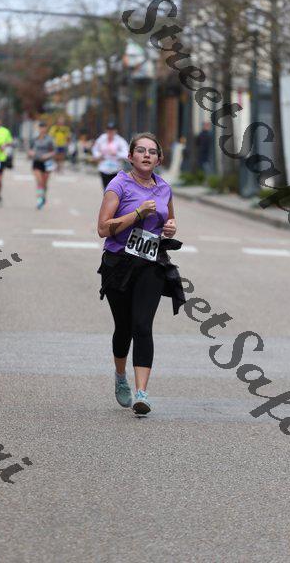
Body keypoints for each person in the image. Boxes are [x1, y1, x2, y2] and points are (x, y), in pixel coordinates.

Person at [97, 132, 186, 415]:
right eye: (141, 150)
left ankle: (142, 393)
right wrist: (136, 214)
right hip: (119, 264)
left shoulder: (164, 188)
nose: (147, 155)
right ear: (130, 157)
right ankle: (120, 375)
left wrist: (170, 228)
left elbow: (169, 220)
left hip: (151, 263)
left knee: (143, 326)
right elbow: (103, 228)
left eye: (152, 152)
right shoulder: (118, 185)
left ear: (159, 159)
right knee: (124, 327)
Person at [92, 121, 128, 189]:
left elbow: (126, 154)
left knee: (114, 189)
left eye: (112, 130)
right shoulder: (101, 139)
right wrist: (99, 155)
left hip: (116, 169)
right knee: (106, 189)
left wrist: (116, 153)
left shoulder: (120, 140)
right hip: (104, 168)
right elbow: (95, 150)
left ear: (115, 131)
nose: (110, 132)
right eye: (109, 130)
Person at [28, 121, 56, 209]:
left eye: (43, 127)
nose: (42, 129)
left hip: (47, 162)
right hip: (37, 162)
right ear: (38, 129)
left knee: (44, 183)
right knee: (39, 181)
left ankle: (44, 195)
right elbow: (29, 150)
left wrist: (48, 155)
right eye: (40, 128)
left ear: (46, 129)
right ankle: (39, 200)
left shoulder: (50, 139)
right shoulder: (34, 139)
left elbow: (54, 151)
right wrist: (31, 153)